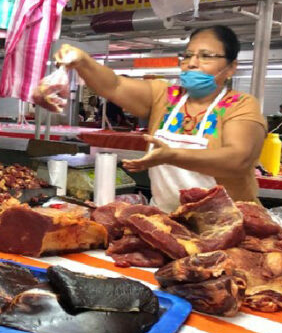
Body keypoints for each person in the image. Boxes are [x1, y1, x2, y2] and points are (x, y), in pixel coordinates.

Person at [56, 25, 266, 212]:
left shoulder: (241, 105)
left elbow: (238, 160)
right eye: (187, 55)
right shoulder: (165, 97)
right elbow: (114, 85)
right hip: (167, 220)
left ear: (231, 67)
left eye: (205, 56)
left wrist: (170, 156)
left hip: (225, 225)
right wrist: (83, 61)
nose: (192, 63)